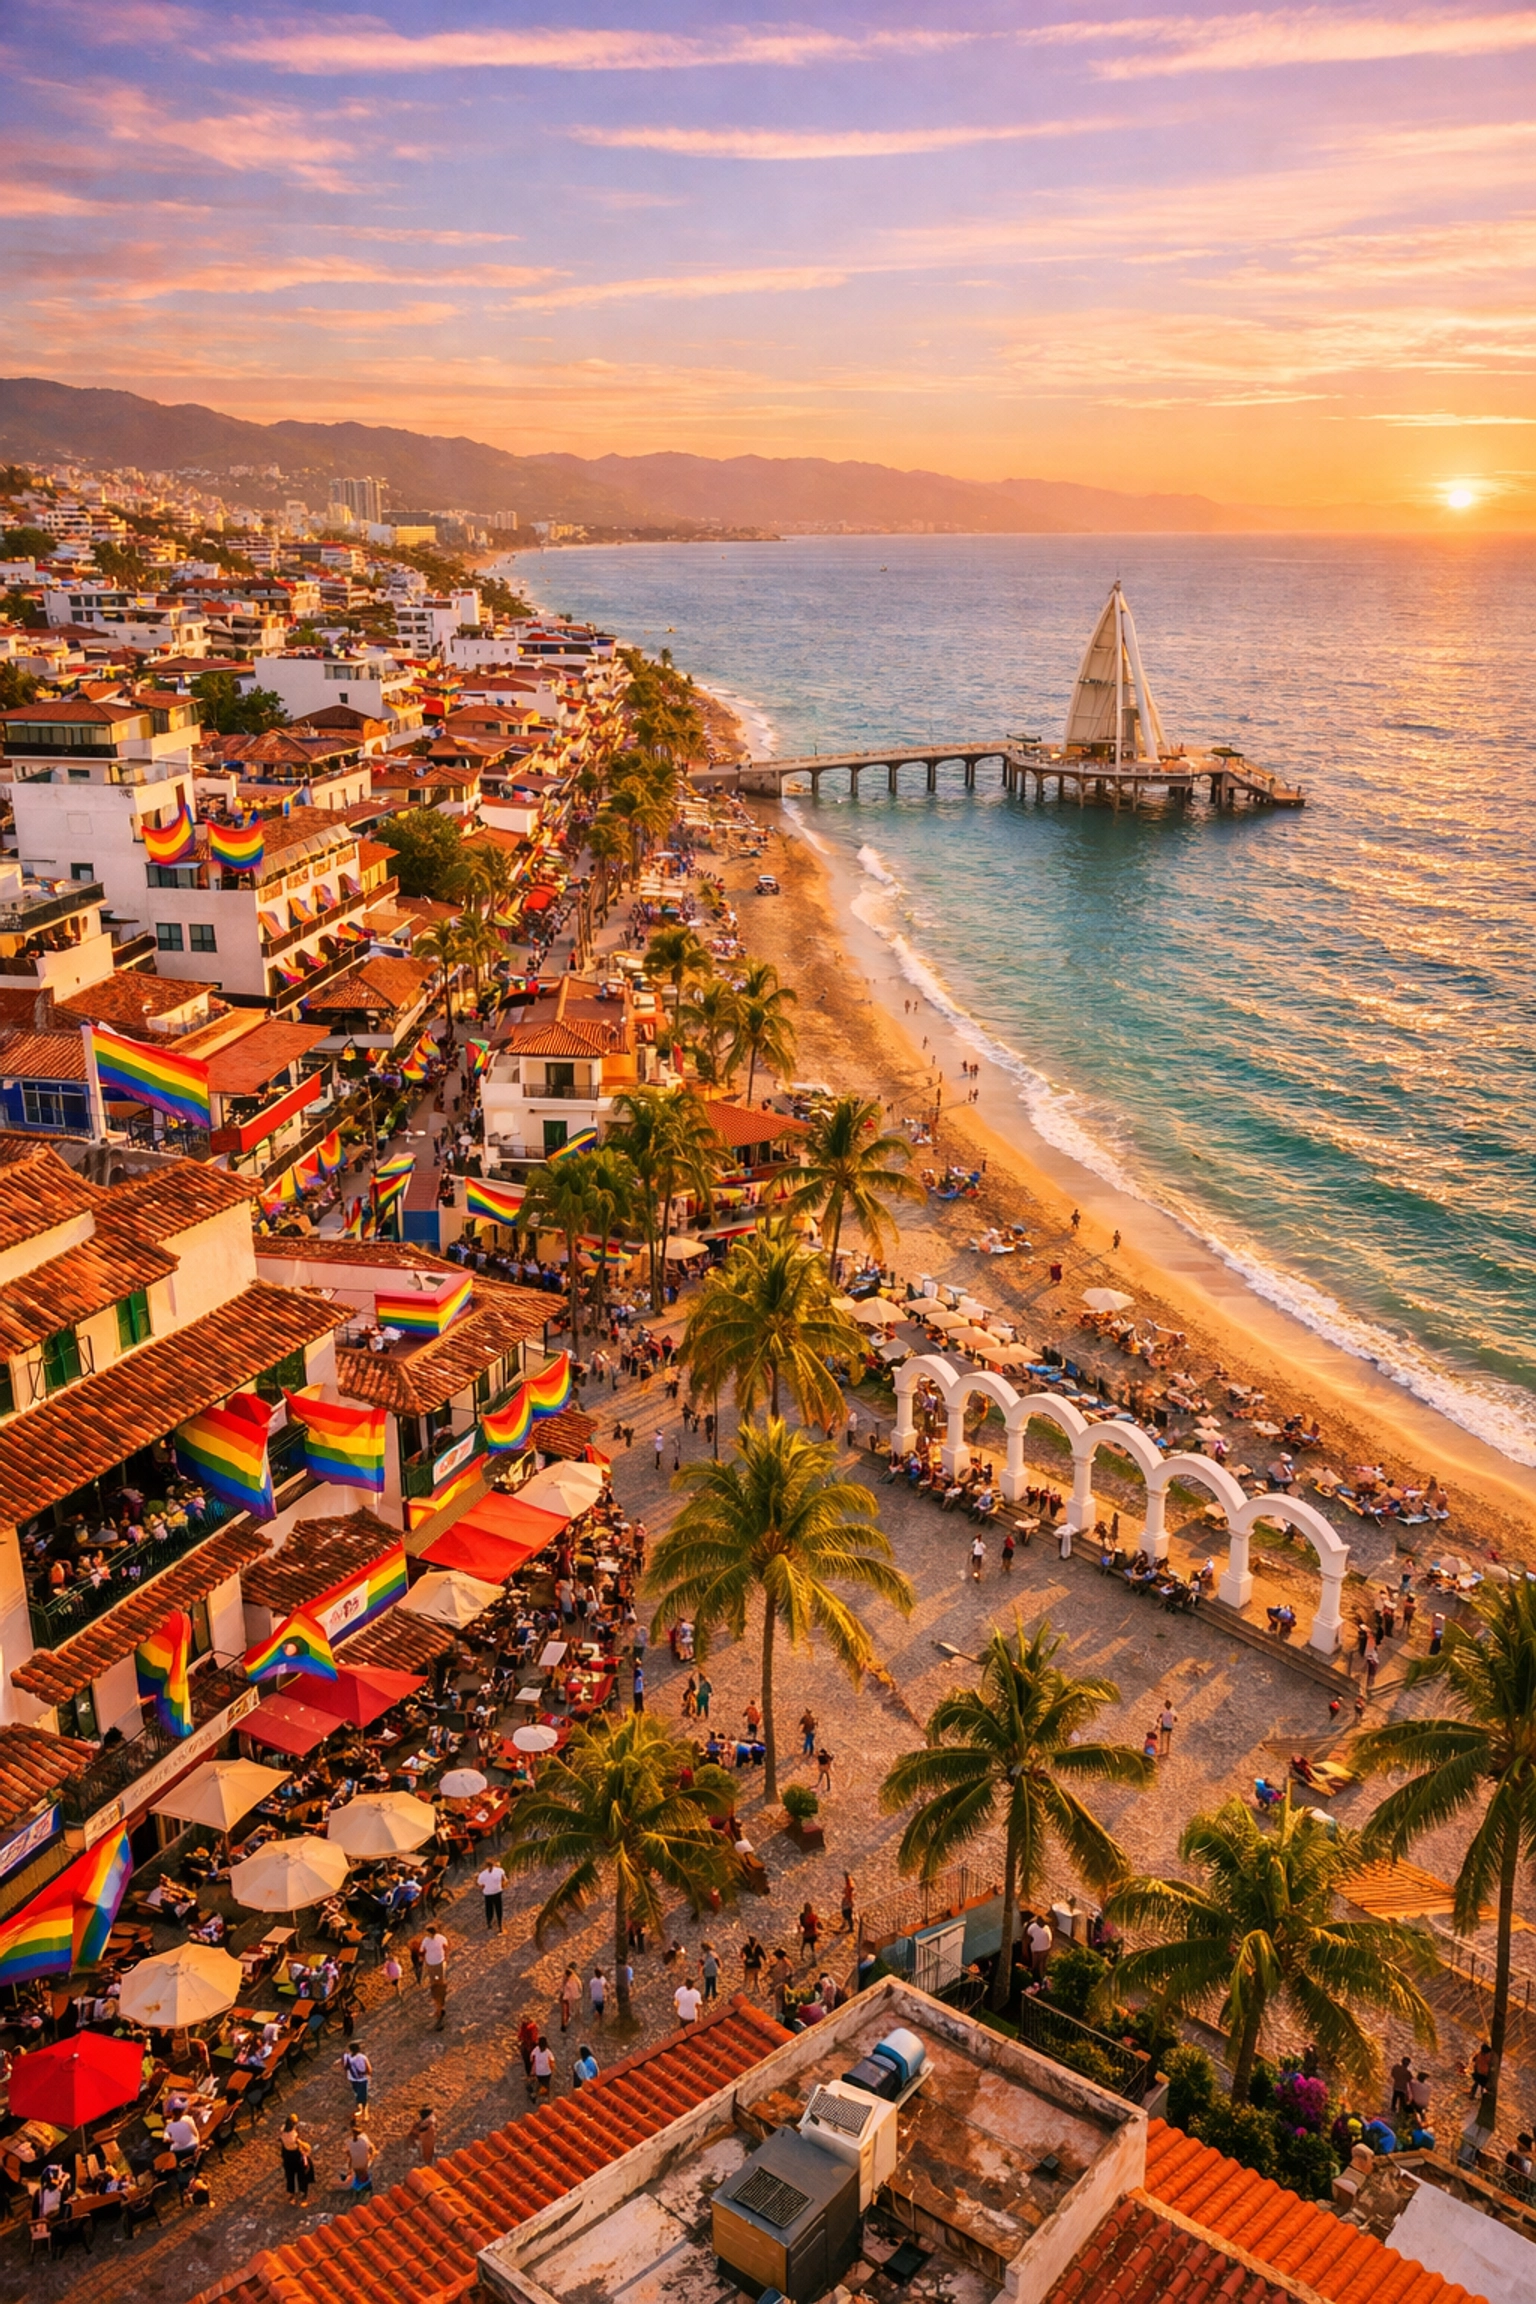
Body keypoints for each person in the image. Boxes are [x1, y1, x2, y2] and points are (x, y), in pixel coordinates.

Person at [279, 2118, 314, 2206]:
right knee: (304, 2172)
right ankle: (303, 2192)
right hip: (296, 2155)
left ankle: (292, 2193)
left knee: (290, 2175)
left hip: (287, 2156)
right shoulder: (293, 2135)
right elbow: (302, 2144)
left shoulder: (282, 2131)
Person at [422, 1926, 449, 2029]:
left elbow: (422, 1952)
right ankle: (439, 2011)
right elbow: (446, 1947)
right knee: (438, 1987)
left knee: (437, 1990)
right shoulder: (440, 1938)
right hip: (438, 1964)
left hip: (435, 1965)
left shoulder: (427, 1941)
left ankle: (439, 2014)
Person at [343, 2126, 377, 2195]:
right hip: (364, 2162)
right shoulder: (364, 2139)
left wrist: (349, 2168)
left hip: (356, 2164)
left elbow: (350, 2156)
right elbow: (371, 2148)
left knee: (358, 2174)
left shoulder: (350, 2142)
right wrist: (372, 2156)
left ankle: (360, 2188)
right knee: (364, 2172)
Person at [477, 1858, 506, 1932]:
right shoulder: (500, 1871)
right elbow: (504, 1880)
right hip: (497, 1891)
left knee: (489, 1909)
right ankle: (500, 1925)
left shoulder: (482, 1874)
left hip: (488, 1893)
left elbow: (481, 1885)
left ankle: (489, 1923)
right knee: (498, 1908)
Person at [342, 2045, 371, 2109]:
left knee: (357, 2092)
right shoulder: (363, 2057)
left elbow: (345, 2067)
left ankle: (361, 2106)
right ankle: (363, 2107)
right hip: (362, 2079)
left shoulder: (348, 2057)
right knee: (362, 2094)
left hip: (352, 2078)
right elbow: (369, 2069)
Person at [530, 2034, 557, 2100]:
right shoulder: (548, 2052)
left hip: (539, 2072)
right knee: (546, 2084)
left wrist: (532, 2063)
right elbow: (552, 2059)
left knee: (539, 2083)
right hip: (547, 2072)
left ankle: (535, 2094)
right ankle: (545, 2096)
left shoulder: (536, 2049)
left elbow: (531, 2056)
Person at [1026, 1913, 1053, 1980]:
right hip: (1046, 1947)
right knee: (1042, 1962)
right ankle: (1042, 1977)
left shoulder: (1033, 1927)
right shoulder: (1047, 1928)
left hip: (1036, 1948)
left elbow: (1028, 1934)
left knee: (1034, 1962)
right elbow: (1050, 1938)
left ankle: (1032, 1975)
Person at [560, 1964, 582, 2031]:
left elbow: (563, 1989)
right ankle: (576, 2020)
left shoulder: (569, 1981)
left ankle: (565, 2024)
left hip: (569, 1998)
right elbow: (580, 1987)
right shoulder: (576, 1979)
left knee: (566, 2012)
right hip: (575, 1997)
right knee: (574, 2010)